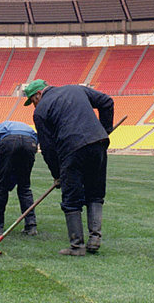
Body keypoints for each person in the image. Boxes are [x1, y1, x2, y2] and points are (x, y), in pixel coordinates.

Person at [25, 79, 114, 256]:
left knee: (71, 197)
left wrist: (58, 175)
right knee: (95, 192)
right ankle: (95, 238)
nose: (34, 106)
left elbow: (48, 148)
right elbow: (107, 102)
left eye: (33, 101)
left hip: (71, 149)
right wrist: (105, 130)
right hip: (98, 143)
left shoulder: (41, 111)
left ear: (39, 94)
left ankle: (77, 246)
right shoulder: (76, 89)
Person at [0, 120, 39, 236]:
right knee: (24, 187)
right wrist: (7, 185)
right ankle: (31, 226)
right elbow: (16, 170)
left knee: (1, 187)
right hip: (31, 141)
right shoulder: (26, 128)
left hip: (8, 140)